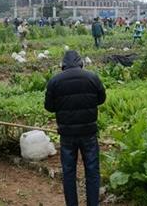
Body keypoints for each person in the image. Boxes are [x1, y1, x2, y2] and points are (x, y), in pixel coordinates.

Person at [44, 50, 106, 206]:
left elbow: (49, 107)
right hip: (89, 132)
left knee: (69, 173)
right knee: (92, 172)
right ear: (80, 62)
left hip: (67, 135)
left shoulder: (55, 81)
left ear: (63, 65)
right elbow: (101, 99)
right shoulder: (92, 77)